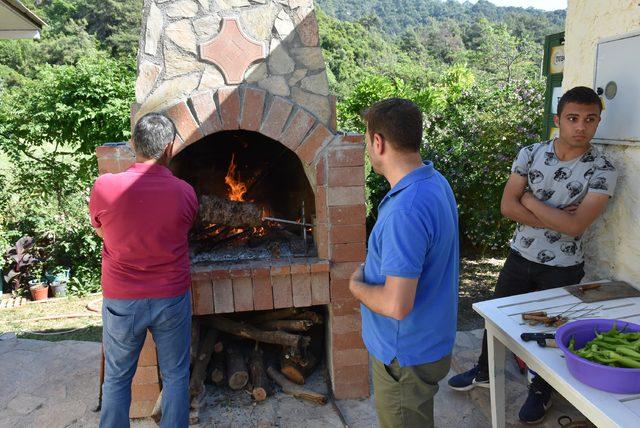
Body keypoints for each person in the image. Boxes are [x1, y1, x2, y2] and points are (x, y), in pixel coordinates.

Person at [448, 86, 618, 423]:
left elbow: (575, 227)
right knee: (497, 319)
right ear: (558, 120)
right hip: (520, 254)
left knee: (551, 331)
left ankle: (541, 391)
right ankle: (484, 370)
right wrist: (558, 215)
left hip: (564, 266)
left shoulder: (603, 168)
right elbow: (505, 206)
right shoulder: (531, 153)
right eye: (573, 118)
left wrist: (529, 200)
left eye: (590, 119)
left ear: (599, 121)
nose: (581, 126)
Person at [349, 98, 459, 428]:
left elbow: (397, 305)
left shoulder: (405, 211)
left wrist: (357, 287)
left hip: (405, 356)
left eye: (367, 139)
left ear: (378, 142)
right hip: (429, 341)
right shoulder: (434, 182)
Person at [90, 113, 198, 428]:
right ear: (169, 148)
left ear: (134, 144)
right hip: (171, 298)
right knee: (176, 375)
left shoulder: (105, 186)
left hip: (122, 300)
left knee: (118, 377)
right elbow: (179, 230)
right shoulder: (185, 192)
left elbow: (101, 229)